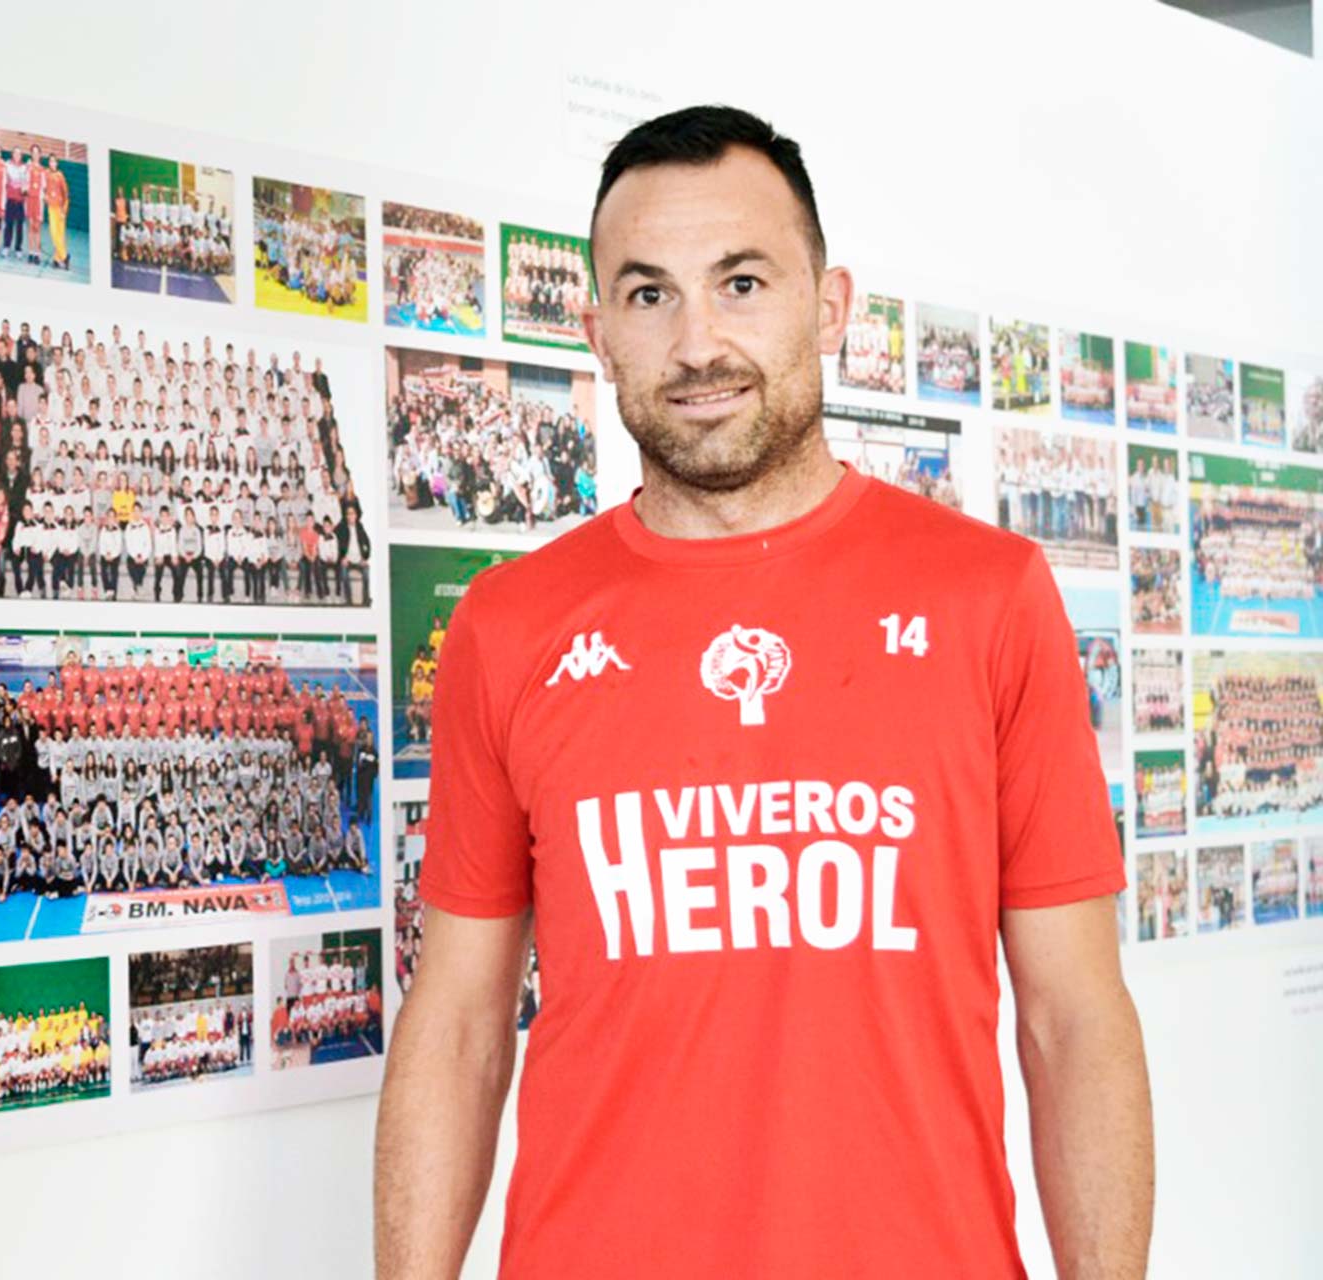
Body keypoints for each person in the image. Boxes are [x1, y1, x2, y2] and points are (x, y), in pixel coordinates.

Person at [374, 106, 1153, 1279]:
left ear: (829, 307)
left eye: (741, 282)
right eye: (649, 295)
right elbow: (460, 1026)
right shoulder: (509, 624)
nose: (698, 342)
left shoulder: (989, 596)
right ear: (596, 330)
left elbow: (1074, 1018)